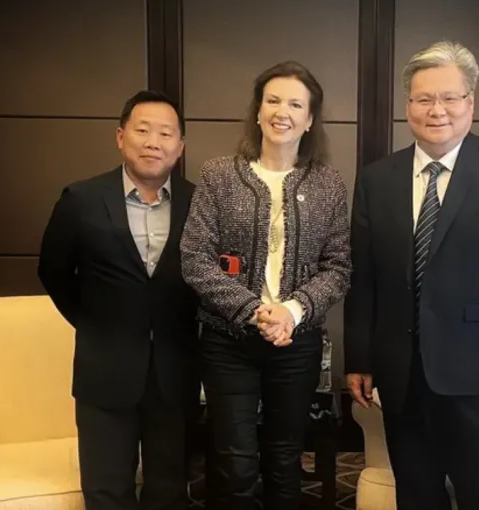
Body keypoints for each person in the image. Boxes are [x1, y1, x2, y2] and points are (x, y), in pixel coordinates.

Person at [344, 40, 479, 510]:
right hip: (401, 376)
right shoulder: (378, 178)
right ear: (408, 106)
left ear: (470, 102)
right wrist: (360, 358)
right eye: (423, 99)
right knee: (416, 496)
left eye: (449, 97)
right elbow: (364, 277)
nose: (436, 110)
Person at [179, 60, 350, 509]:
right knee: (233, 460)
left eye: (295, 104)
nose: (282, 112)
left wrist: (291, 311)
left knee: (285, 457)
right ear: (258, 111)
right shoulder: (219, 175)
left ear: (310, 119)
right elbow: (195, 259)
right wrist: (255, 311)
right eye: (273, 101)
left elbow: (338, 267)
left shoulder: (329, 184)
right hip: (228, 342)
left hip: (296, 343)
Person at [38, 90, 200, 510]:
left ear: (180, 146)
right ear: (120, 136)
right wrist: (95, 322)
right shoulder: (81, 199)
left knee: (170, 491)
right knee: (106, 491)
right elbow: (54, 272)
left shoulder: (200, 203)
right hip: (104, 369)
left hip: (175, 370)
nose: (153, 142)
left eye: (166, 134)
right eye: (143, 130)